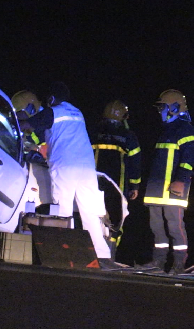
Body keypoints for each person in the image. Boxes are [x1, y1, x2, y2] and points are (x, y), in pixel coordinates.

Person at [18, 82, 118, 269]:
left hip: (66, 167)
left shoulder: (52, 112)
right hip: (87, 168)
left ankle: (68, 253)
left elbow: (26, 126)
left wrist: (16, 117)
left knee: (62, 212)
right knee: (89, 212)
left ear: (52, 98)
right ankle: (103, 257)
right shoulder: (77, 112)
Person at [141, 89, 194, 274]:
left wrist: (181, 181)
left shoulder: (186, 130)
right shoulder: (166, 131)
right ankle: (158, 262)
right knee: (156, 226)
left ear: (174, 107)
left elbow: (189, 160)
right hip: (157, 188)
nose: (160, 112)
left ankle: (179, 264)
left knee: (175, 226)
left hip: (173, 188)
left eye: (163, 107)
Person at [92, 100, 141, 256]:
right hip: (117, 187)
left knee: (91, 215)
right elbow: (135, 161)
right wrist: (135, 185)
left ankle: (90, 251)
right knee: (115, 220)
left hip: (93, 183)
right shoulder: (128, 136)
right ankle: (109, 255)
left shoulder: (94, 131)